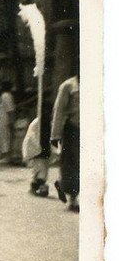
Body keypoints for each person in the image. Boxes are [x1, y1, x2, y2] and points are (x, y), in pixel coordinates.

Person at [51, 71, 80, 212]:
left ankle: (63, 185)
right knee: (72, 162)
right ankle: (73, 199)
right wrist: (55, 135)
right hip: (73, 128)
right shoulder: (68, 86)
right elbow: (59, 111)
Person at [0, 81, 16, 163]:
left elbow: (10, 110)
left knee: (5, 136)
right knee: (4, 136)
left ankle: (6, 156)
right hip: (3, 118)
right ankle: (4, 155)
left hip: (5, 119)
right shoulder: (6, 95)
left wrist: (11, 120)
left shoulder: (6, 96)